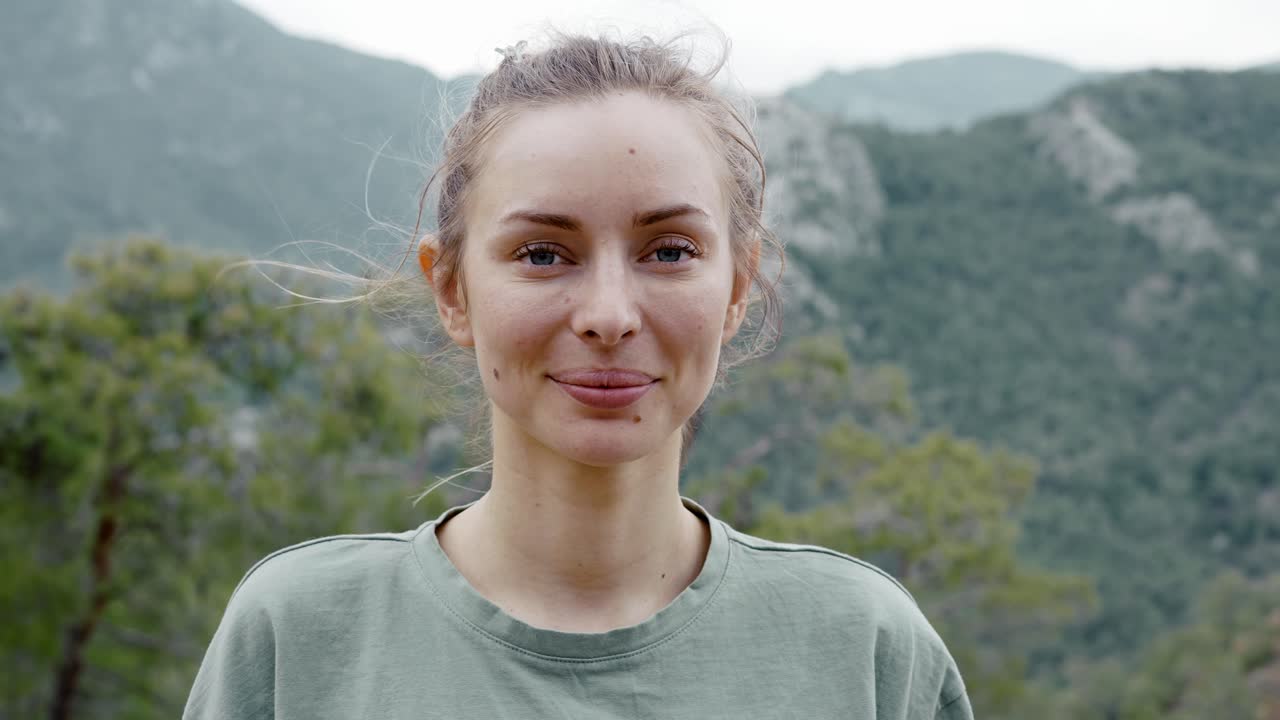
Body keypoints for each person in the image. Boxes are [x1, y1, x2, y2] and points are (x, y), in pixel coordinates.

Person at [184, 31, 973, 719]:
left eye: (669, 251)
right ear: (452, 290)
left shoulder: (865, 651)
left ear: (737, 289)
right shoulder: (302, 637)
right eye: (542, 254)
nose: (608, 315)